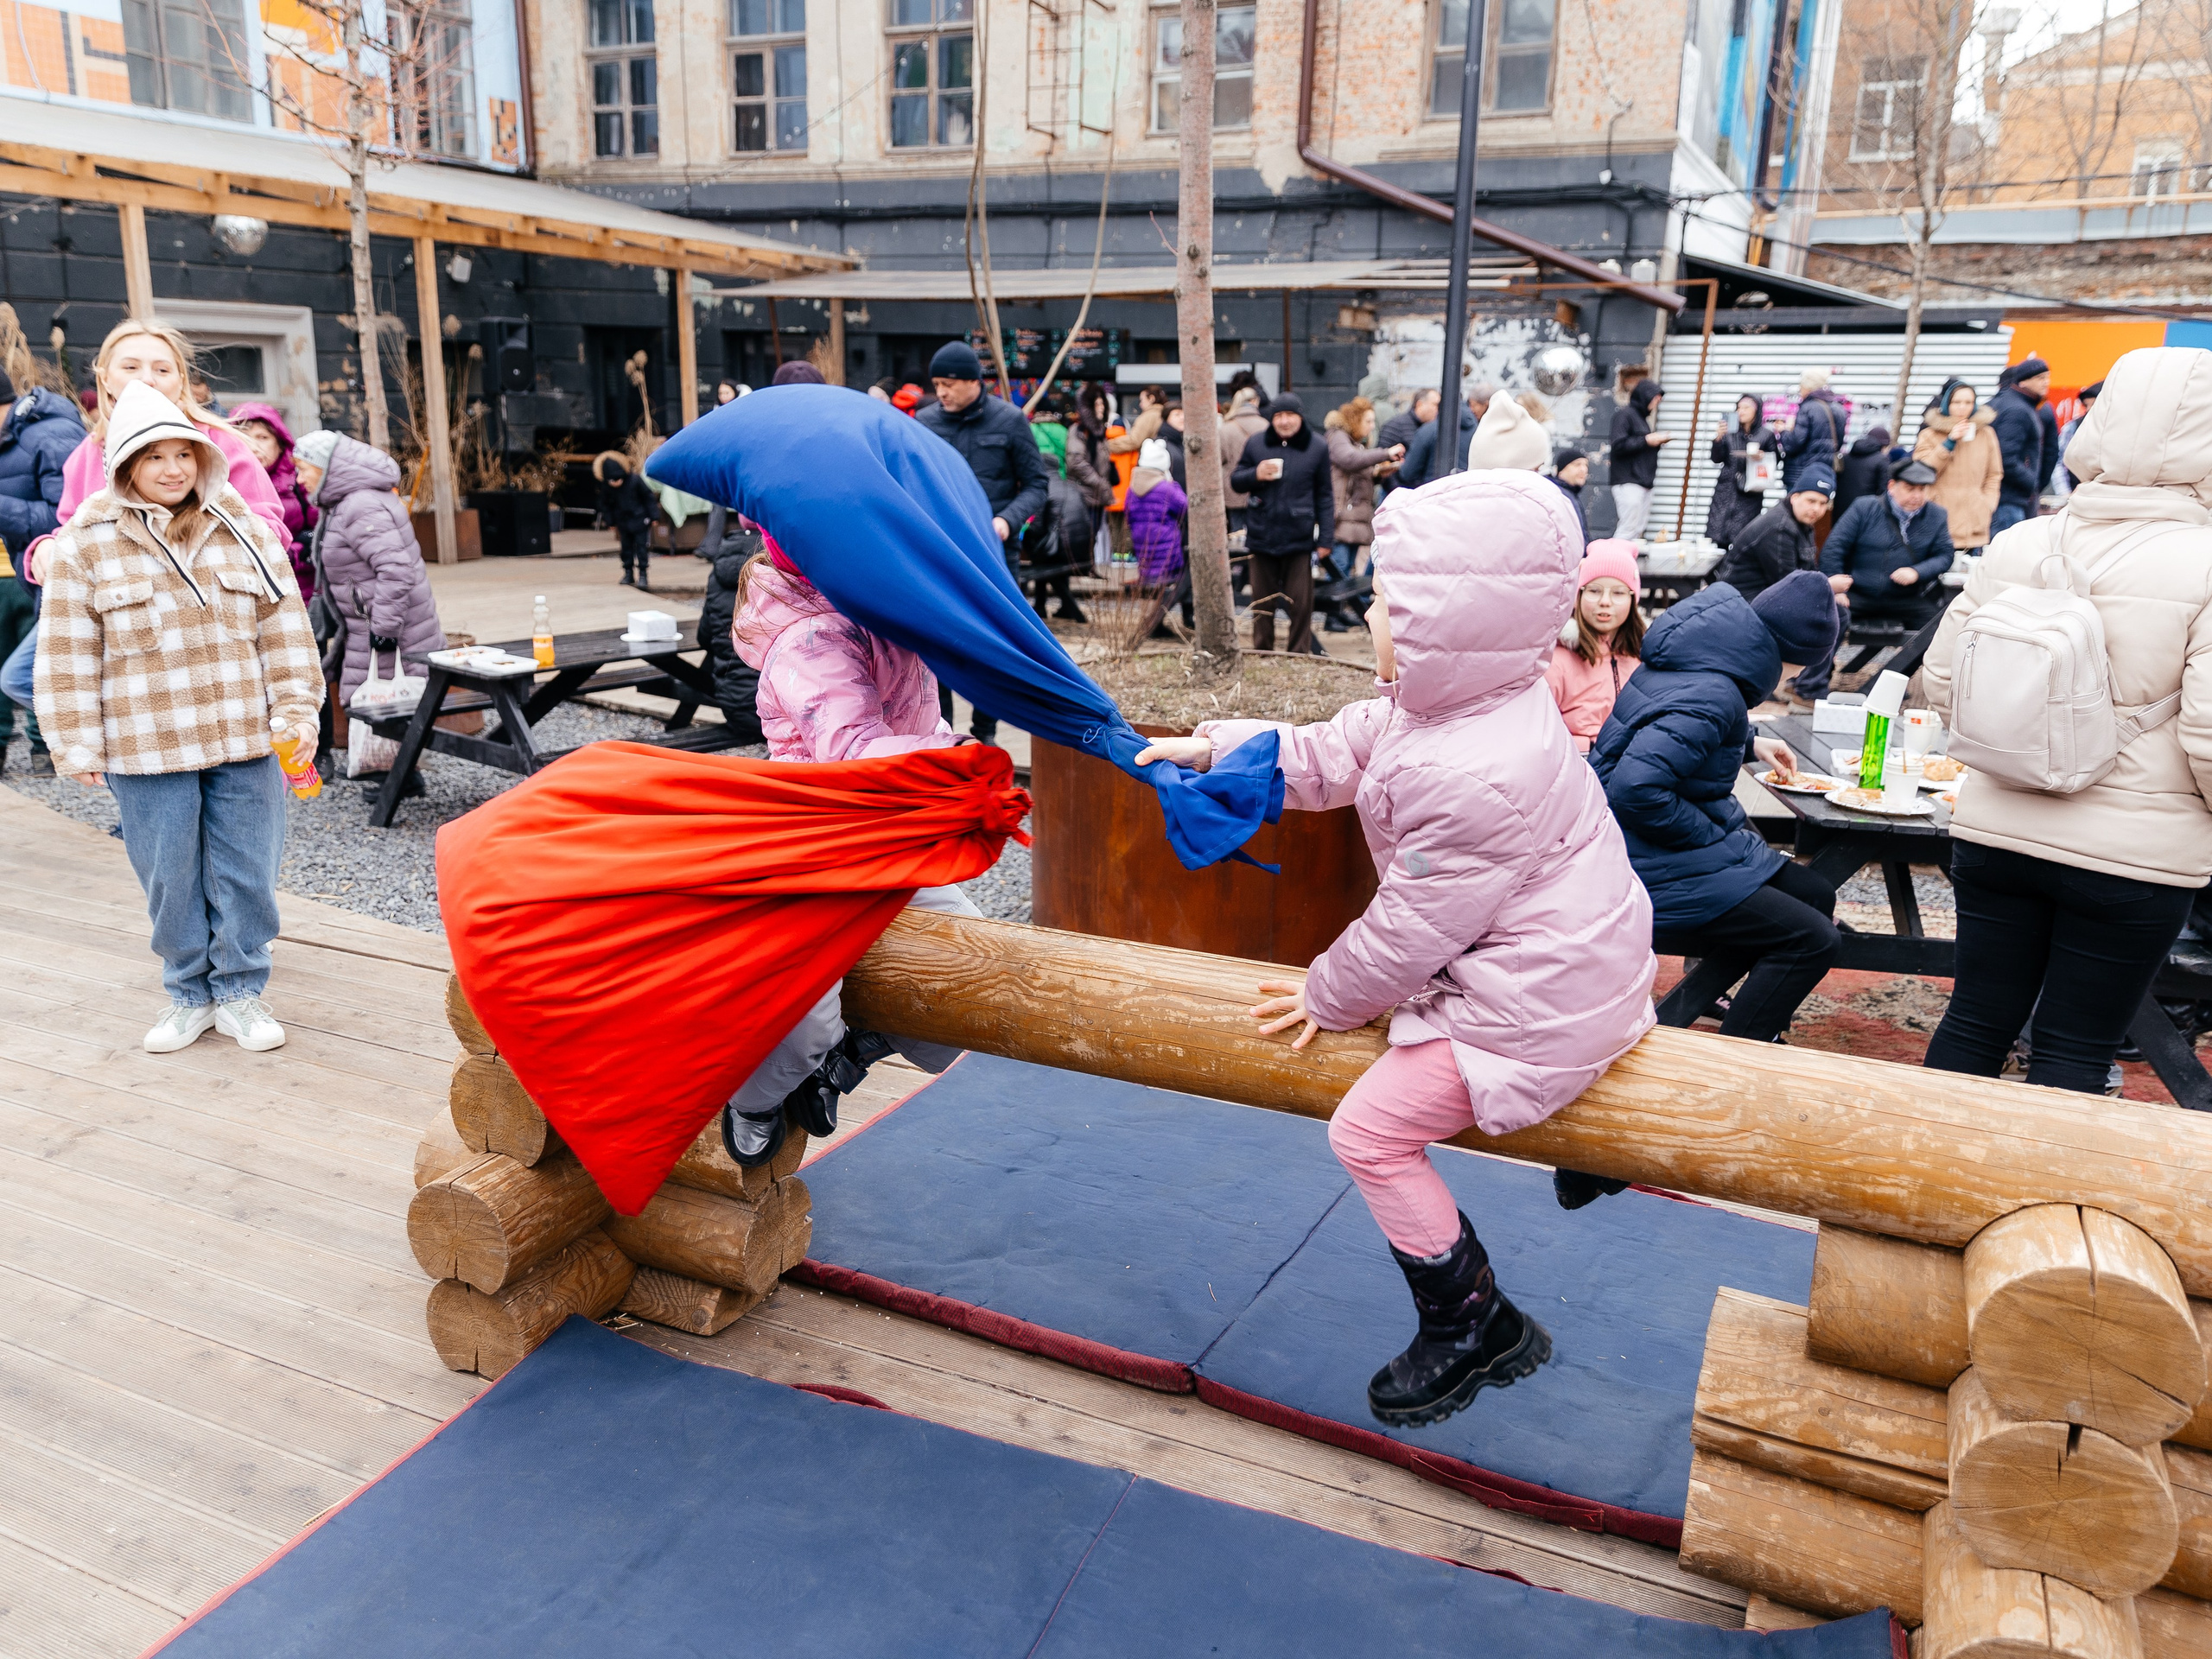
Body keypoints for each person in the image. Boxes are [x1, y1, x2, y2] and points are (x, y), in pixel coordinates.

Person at [1131, 470, 1656, 1428]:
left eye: (1385, 597)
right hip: (1568, 951)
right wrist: (1216, 752)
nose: (1368, 607)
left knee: (1367, 1131)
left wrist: (1324, 996)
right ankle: (1587, 1150)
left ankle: (1472, 1322)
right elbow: (1332, 752)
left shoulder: (1478, 767)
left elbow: (1414, 927)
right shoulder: (1457, 698)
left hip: (1540, 997)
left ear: (1448, 621)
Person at [1920, 346, 2212, 1094]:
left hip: (1998, 834)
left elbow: (1942, 679)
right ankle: (2031, 1210)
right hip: (2133, 855)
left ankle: (1916, 1196)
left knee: (1975, 1021)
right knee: (2075, 1052)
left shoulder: (2023, 542)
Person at [34, 382, 321, 1053]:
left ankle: (242, 990)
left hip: (244, 734)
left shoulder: (241, 527)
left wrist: (298, 708)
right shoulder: (87, 543)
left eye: (184, 455)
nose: (172, 469)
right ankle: (188, 991)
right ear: (126, 463)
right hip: (146, 743)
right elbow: (68, 649)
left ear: (203, 458)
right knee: (168, 873)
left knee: (248, 869)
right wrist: (75, 742)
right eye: (154, 456)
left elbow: (285, 627)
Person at [723, 529, 980, 1165]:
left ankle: (858, 1040)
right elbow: (852, 752)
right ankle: (753, 1098)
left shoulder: (887, 614)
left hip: (889, 838)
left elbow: (920, 719)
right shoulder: (810, 638)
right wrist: (957, 760)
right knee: (798, 1022)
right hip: (815, 844)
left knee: (971, 984)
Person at [7, 321, 288, 766]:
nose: (146, 378)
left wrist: (199, 547)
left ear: (181, 379)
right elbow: (72, 528)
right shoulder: (88, 454)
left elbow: (270, 527)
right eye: (131, 366)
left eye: (162, 368)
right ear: (105, 377)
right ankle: (137, 774)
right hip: (125, 618)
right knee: (24, 677)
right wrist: (44, 545)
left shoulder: (220, 442)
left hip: (211, 614)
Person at [1591, 570, 1843, 1046]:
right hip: (1639, 860)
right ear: (1791, 656)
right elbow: (1636, 789)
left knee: (1814, 893)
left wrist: (1747, 742)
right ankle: (1743, 1052)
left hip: (1643, 843)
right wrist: (1709, 834)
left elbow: (1672, 728)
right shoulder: (1718, 692)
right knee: (1813, 939)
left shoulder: (1705, 654)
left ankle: (1703, 1007)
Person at [308, 429, 447, 784]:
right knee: (381, 700)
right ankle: (399, 779)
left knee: (381, 701)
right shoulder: (349, 502)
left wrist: (383, 632)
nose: (298, 476)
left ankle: (391, 783)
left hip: (387, 626)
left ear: (324, 467)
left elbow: (395, 569)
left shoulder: (359, 505)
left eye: (302, 467)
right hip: (371, 622)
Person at [914, 340, 1052, 590]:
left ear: (974, 381)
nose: (941, 392)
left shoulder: (1010, 420)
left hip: (995, 549)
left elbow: (1037, 484)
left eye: (948, 384)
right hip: (942, 546)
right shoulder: (924, 422)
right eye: (936, 385)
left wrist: (1006, 521)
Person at [0, 365, 84, 773]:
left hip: (79, 586)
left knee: (18, 677)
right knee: (17, 678)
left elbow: (73, 518)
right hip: (44, 584)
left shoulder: (48, 434)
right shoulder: (12, 438)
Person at [1230, 392, 1334, 653]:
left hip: (1299, 537)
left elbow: (1325, 494)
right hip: (1261, 534)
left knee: (1300, 603)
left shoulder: (1317, 446)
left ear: (1300, 417)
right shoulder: (1256, 444)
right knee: (1261, 601)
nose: (1284, 422)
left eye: (1290, 416)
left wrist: (1326, 539)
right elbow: (1236, 480)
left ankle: (1299, 652)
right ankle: (1262, 650)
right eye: (1278, 416)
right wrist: (1256, 474)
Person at [1544, 539, 1644, 753]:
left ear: (1633, 599)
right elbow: (1538, 731)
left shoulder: (1642, 657)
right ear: (1578, 596)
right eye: (1594, 591)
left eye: (1618, 593)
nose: (1605, 602)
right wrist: (1588, 746)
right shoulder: (1557, 660)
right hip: (1578, 767)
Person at [229, 403, 318, 603]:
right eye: (244, 436)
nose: (253, 446)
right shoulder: (220, 483)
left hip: (297, 590)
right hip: (242, 589)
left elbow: (323, 530)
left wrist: (294, 553)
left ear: (280, 444)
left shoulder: (300, 481)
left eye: (263, 437)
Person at [696, 504, 767, 745]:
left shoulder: (718, 573)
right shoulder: (783, 568)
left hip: (735, 705)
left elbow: (704, 636)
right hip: (782, 710)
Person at [1911, 378, 2001, 554]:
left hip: (1974, 521)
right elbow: (1922, 471)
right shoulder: (1929, 435)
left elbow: (1994, 474)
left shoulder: (1986, 434)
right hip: (1939, 517)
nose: (1962, 407)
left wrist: (1987, 503)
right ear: (1947, 404)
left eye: (1968, 402)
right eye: (1956, 402)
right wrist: (1949, 442)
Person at [1715, 467, 1830, 604]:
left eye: (1823, 503)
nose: (1817, 509)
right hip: (1741, 602)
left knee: (1838, 612)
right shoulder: (1780, 527)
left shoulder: (1803, 523)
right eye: (1811, 501)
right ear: (1794, 498)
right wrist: (1828, 586)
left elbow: (1810, 572)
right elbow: (1787, 585)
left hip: (1766, 597)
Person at [1323, 396, 1402, 592]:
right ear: (1355, 420)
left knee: (1346, 568)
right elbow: (1349, 460)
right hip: (1342, 517)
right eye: (1368, 421)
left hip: (1354, 518)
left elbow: (1355, 470)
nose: (1372, 426)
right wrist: (1385, 453)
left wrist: (1377, 474)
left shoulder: (1355, 443)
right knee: (1339, 567)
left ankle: (1340, 612)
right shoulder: (1338, 437)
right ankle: (1333, 617)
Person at [1125, 436, 1191, 629]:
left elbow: (1128, 514)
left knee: (1151, 579)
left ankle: (1151, 621)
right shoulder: (1166, 488)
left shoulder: (1132, 487)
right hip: (1166, 542)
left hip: (1141, 541)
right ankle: (1156, 624)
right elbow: (1185, 507)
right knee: (1175, 581)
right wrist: (1175, 485)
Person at [1990, 358, 2050, 536]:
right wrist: (2032, 481)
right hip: (2009, 499)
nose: (2046, 382)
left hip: (2004, 497)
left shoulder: (2009, 403)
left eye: (2047, 377)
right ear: (2023, 381)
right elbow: (2005, 458)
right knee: (2008, 556)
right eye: (2040, 378)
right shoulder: (2018, 410)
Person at [1706, 393, 1774, 549]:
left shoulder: (1766, 435)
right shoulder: (1729, 432)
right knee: (1717, 537)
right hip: (1725, 491)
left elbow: (1774, 460)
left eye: (1746, 407)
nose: (1740, 411)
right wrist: (1718, 438)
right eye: (1738, 407)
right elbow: (1716, 459)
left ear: (1757, 411)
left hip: (1750, 492)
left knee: (1743, 539)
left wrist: (1762, 457)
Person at [1607, 378, 1668, 541]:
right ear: (1645, 396)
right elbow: (1618, 445)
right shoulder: (1624, 415)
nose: (1656, 404)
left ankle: (1627, 562)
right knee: (1628, 528)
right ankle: (1613, 563)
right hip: (1628, 481)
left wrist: (1655, 442)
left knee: (1636, 530)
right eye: (1655, 399)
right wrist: (1647, 440)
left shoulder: (1641, 419)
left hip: (1643, 482)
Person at [1401, 382, 1490, 492]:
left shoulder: (1429, 431)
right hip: (1469, 496)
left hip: (1433, 497)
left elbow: (1407, 473)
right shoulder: (1479, 432)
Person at [1777, 367, 1846, 495]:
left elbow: (1793, 443)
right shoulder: (1839, 408)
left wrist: (1784, 431)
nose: (1799, 389)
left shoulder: (1808, 408)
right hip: (1825, 473)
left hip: (1801, 474)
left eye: (1801, 385)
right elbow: (1839, 443)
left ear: (1808, 387)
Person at [594, 452, 658, 588]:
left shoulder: (635, 480)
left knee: (641, 548)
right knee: (626, 549)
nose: (615, 483)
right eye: (612, 481)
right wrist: (610, 521)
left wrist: (654, 516)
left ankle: (643, 574)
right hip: (623, 522)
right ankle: (628, 572)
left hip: (640, 519)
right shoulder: (606, 487)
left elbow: (648, 497)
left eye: (618, 479)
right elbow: (606, 506)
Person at [1219, 381, 1270, 529]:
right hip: (1260, 488)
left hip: (1232, 490)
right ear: (1255, 401)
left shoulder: (1226, 428)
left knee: (1237, 536)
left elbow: (1219, 459)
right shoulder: (1265, 426)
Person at [1833, 425, 1892, 520]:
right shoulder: (1882, 460)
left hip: (1840, 512)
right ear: (1884, 446)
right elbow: (1884, 492)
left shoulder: (1846, 457)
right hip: (1865, 514)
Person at [2057, 378, 2101, 494]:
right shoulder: (2073, 427)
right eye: (2086, 405)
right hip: (2076, 494)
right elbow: (2060, 462)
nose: (2089, 409)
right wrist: (2065, 493)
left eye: (2094, 404)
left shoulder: (2118, 427)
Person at [1549, 447, 1590, 539]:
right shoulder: (1558, 495)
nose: (1583, 469)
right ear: (1560, 471)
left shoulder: (1571, 494)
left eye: (1586, 465)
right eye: (1577, 464)